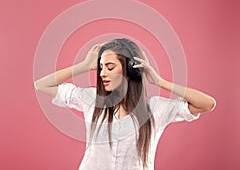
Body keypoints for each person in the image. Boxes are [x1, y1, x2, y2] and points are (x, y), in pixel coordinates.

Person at [34, 38, 216, 170]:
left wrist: (159, 81)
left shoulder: (155, 109)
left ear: (130, 70)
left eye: (110, 67)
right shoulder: (93, 101)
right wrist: (84, 66)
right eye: (101, 67)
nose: (102, 73)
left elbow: (207, 104)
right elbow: (41, 85)